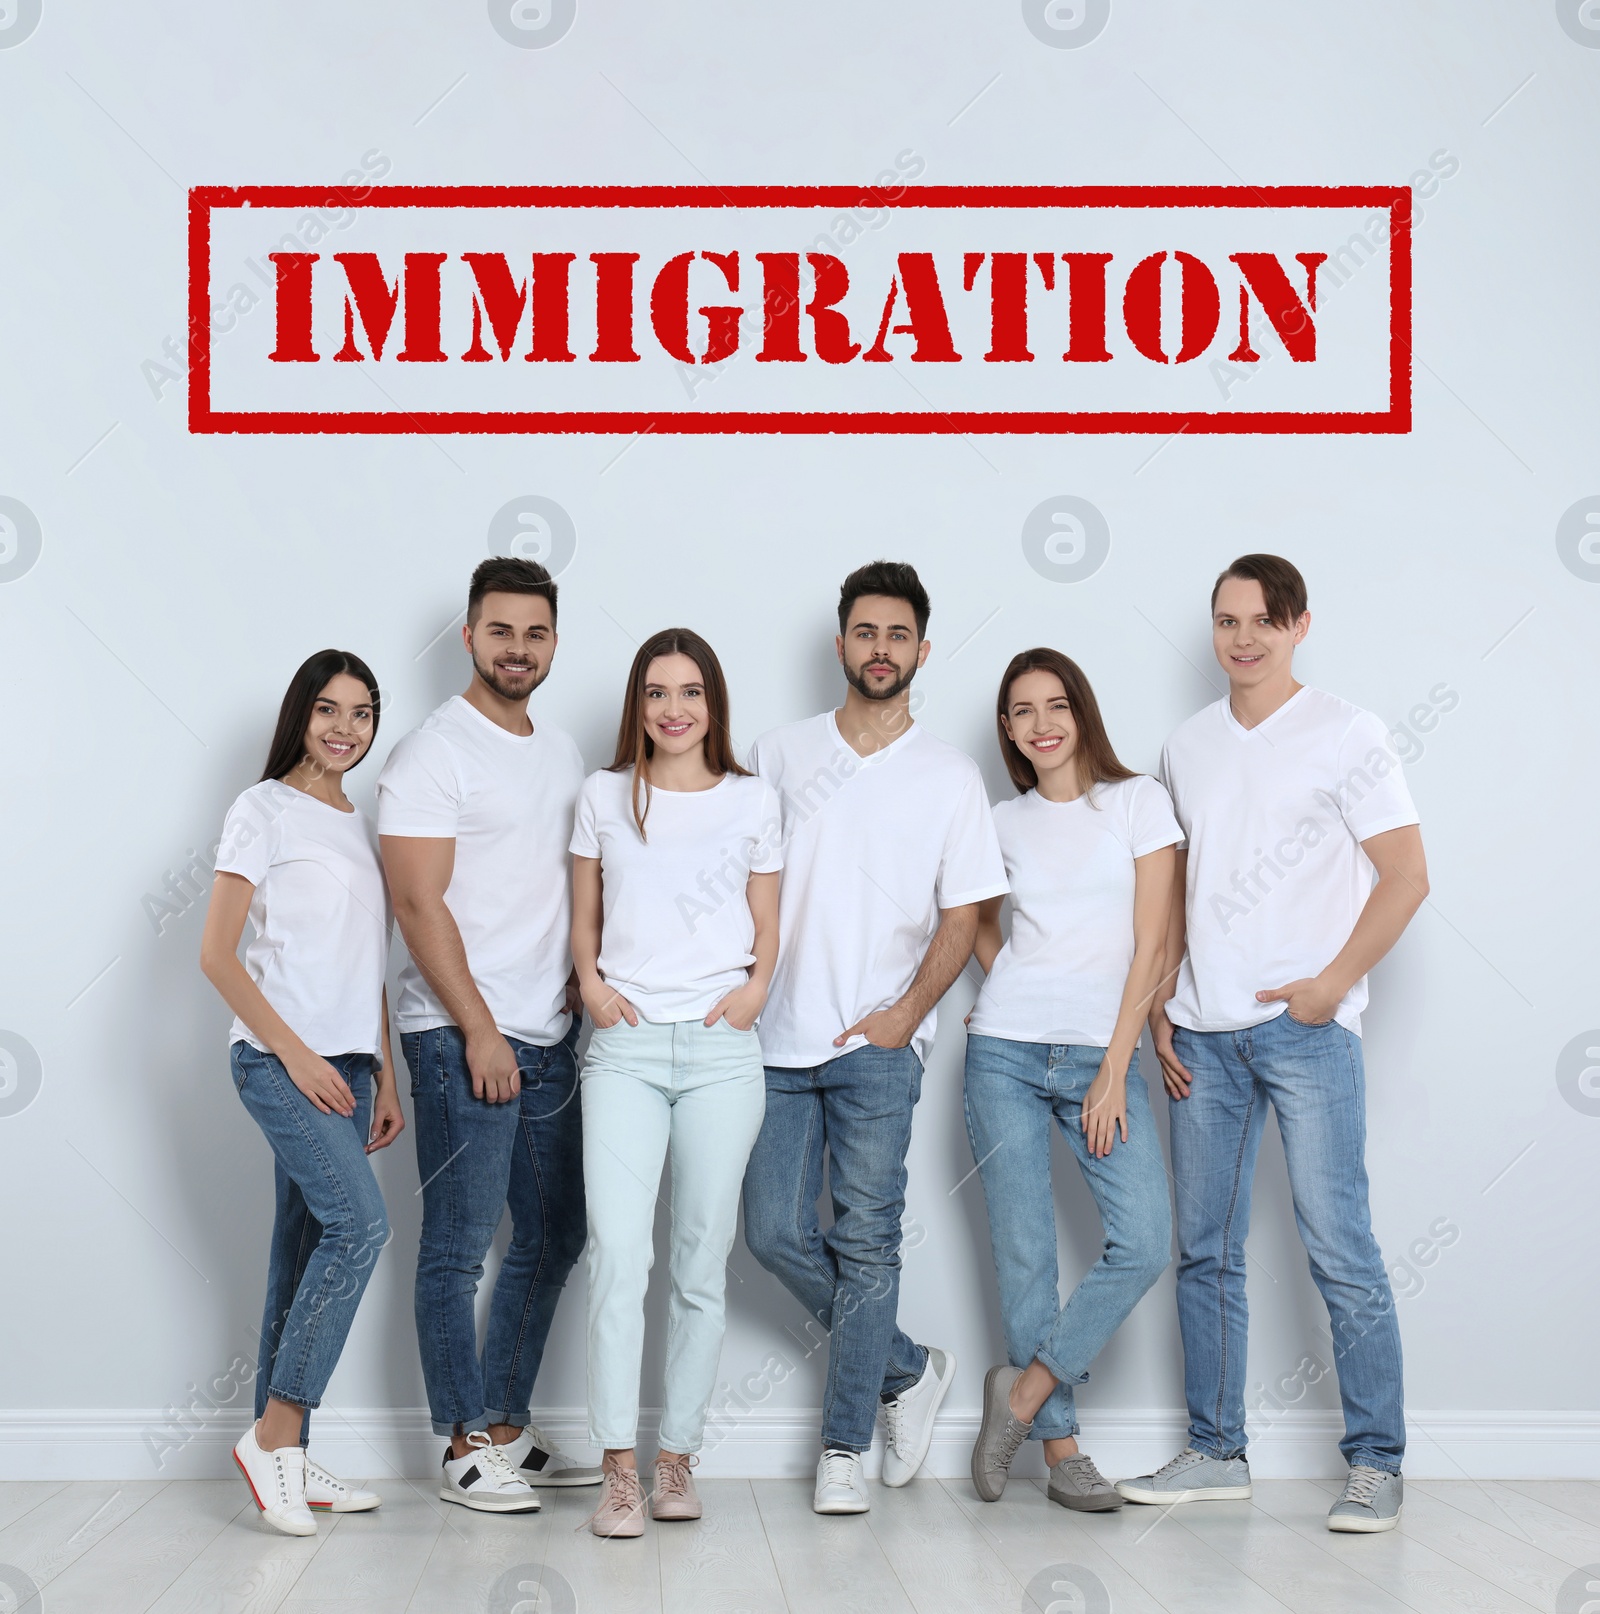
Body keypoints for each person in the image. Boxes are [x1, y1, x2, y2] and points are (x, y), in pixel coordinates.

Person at [1119, 554, 1428, 1534]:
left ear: (1297, 625)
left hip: (1303, 1034)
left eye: (1260, 620)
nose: (1241, 638)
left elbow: (1405, 876)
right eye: (1225, 621)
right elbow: (1171, 894)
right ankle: (1216, 1452)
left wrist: (1330, 987)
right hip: (1200, 1040)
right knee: (1203, 1252)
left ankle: (1376, 1462)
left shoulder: (1347, 732)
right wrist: (1160, 1003)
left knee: (1339, 1246)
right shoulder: (1186, 745)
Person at [741, 560, 1009, 1515]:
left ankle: (843, 1445)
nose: (881, 649)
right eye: (866, 633)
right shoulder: (778, 753)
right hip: (773, 1039)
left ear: (922, 651)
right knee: (771, 1231)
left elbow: (965, 912)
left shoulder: (949, 775)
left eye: (899, 636)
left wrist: (904, 1016)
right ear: (842, 642)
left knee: (867, 1240)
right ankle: (907, 1366)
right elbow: (737, 878)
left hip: (880, 1048)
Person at [377, 557, 599, 1514]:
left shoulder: (558, 751)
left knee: (556, 1232)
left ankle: (505, 1423)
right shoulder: (434, 752)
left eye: (535, 633)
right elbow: (417, 902)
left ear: (554, 641)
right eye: (501, 631)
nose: (519, 649)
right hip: (460, 1035)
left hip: (548, 1033)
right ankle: (462, 1444)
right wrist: (478, 1029)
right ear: (468, 636)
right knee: (460, 1245)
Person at [571, 629, 782, 1539]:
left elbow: (768, 929)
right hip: (623, 1049)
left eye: (690, 692)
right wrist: (591, 985)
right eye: (657, 692)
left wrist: (751, 996)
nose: (674, 709)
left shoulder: (754, 800)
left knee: (700, 1262)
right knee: (619, 1255)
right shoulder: (602, 797)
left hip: (721, 1054)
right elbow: (585, 921)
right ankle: (617, 1466)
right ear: (638, 704)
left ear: (713, 703)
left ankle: (676, 1459)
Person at [964, 649, 1178, 1512]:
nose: (1042, 723)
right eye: (1022, 711)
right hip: (1005, 1053)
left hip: (1103, 1054)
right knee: (1025, 1257)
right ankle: (1060, 1449)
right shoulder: (999, 821)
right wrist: (1011, 982)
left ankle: (1017, 1397)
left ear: (1082, 712)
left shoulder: (1137, 803)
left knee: (1145, 1240)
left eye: (1057, 705)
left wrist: (1117, 1066)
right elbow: (978, 925)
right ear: (1008, 731)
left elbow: (1157, 946)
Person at [201, 650, 400, 1537]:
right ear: (300, 715)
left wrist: (382, 1068)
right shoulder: (262, 809)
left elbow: (370, 960)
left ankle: (286, 1453)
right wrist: (299, 1056)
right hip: (281, 1063)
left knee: (302, 1253)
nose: (344, 729)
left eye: (361, 713)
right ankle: (274, 1437)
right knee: (363, 1227)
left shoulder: (364, 823)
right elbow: (215, 955)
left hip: (353, 1069)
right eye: (328, 710)